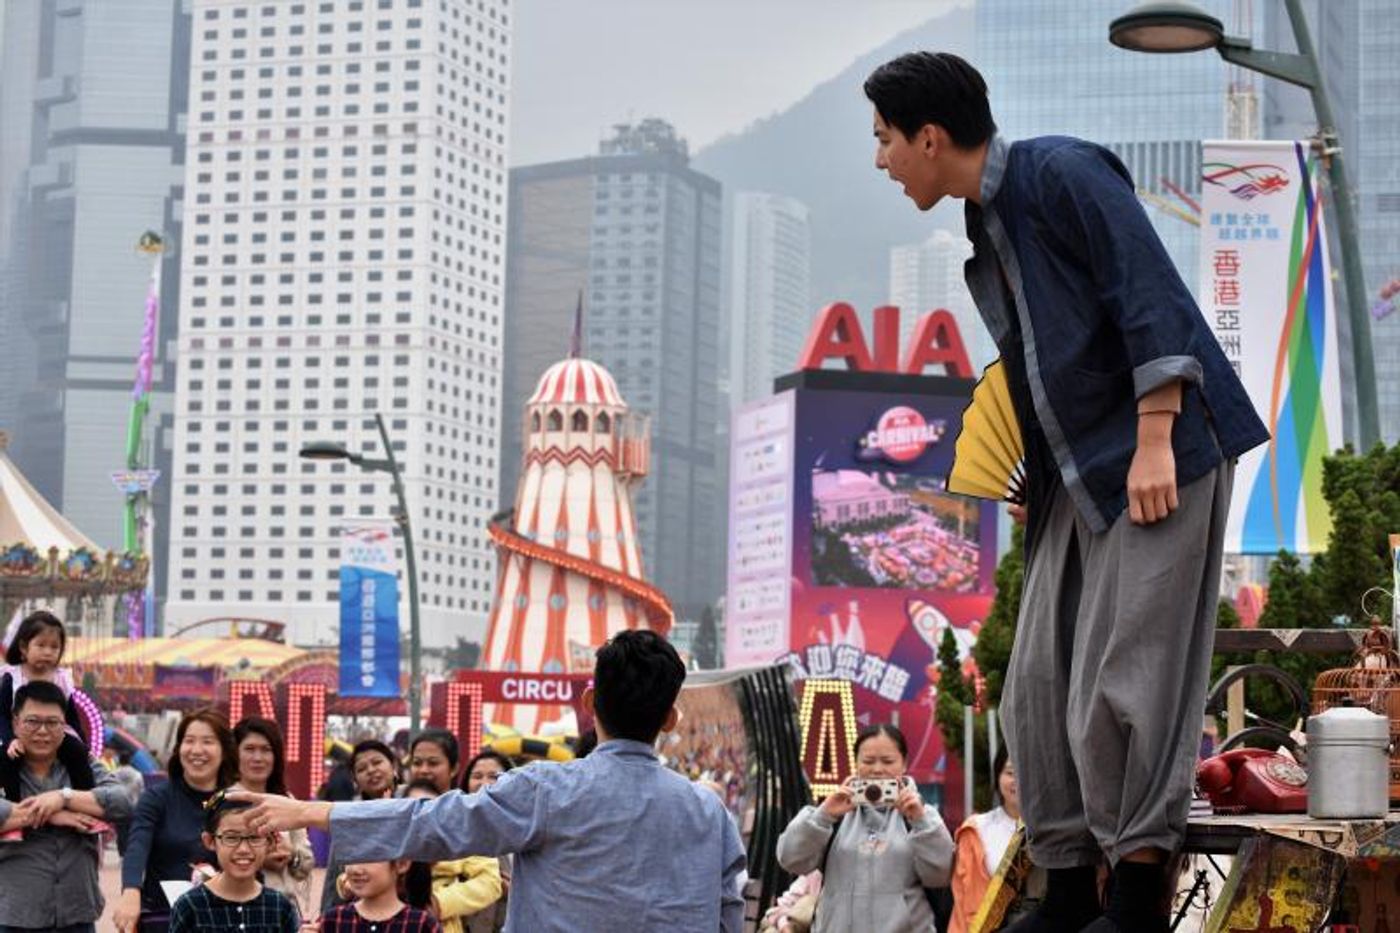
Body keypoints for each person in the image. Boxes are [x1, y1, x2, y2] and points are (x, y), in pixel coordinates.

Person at [862, 52, 1268, 932]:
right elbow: (1043, 374)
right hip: (1075, 474)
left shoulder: (1061, 171)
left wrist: (1156, 433)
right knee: (1037, 685)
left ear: (929, 137)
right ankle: (1069, 886)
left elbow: (1147, 290)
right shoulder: (986, 228)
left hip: (1162, 449)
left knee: (1129, 676)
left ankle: (1136, 897)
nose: (881, 159)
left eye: (885, 139)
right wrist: (1043, 481)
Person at [234, 630, 747, 932]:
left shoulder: (546, 790)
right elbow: (728, 913)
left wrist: (309, 811)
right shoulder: (710, 814)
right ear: (670, 719)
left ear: (590, 704)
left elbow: (432, 822)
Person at [776, 723, 953, 933]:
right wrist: (823, 815)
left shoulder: (923, 816)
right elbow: (791, 859)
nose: (877, 769)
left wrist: (920, 821)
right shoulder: (836, 814)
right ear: (856, 763)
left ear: (904, 763)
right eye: (868, 761)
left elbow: (941, 874)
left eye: (888, 761)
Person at [0, 680, 135, 931]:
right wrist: (53, 815)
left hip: (77, 912)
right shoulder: (3, 764)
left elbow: (122, 802)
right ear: (16, 723)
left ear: (64, 726)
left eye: (52, 723)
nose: (43, 731)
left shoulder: (82, 764)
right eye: (32, 721)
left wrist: (64, 798)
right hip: (17, 914)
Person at [115, 708, 237, 933]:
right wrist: (131, 890)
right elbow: (137, 846)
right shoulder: (156, 798)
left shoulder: (235, 803)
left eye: (207, 742)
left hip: (222, 920)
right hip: (163, 919)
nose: (196, 750)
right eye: (189, 741)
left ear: (225, 751)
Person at [0, 611, 96, 824]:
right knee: (7, 759)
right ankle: (16, 810)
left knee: (77, 753)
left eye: (54, 647)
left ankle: (85, 804)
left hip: (56, 734)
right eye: (41, 645)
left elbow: (71, 715)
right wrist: (10, 740)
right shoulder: (11, 676)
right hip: (19, 735)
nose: (48, 652)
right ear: (24, 647)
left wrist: (84, 745)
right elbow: (2, 714)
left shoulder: (61, 678)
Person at [167, 792, 301, 933]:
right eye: (231, 838)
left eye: (255, 838)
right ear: (210, 841)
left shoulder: (280, 907)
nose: (243, 849)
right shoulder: (190, 906)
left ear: (270, 842)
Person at [233, 717, 315, 916]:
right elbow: (210, 860)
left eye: (266, 750)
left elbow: (305, 865)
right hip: (238, 910)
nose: (258, 758)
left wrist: (291, 855)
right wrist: (260, 860)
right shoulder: (222, 800)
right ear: (235, 753)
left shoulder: (287, 800)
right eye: (249, 749)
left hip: (285, 910)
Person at [400, 778, 502, 933]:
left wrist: (440, 903)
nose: (423, 817)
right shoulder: (394, 852)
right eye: (414, 811)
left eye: (431, 810)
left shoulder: (462, 840)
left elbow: (491, 882)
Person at [320, 739, 404, 911]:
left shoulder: (412, 800)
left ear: (393, 766)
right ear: (355, 781)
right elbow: (334, 876)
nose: (371, 770)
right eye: (361, 769)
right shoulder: (349, 816)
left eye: (377, 762)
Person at [950, 747, 1023, 933]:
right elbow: (964, 904)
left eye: (1026, 772)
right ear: (997, 776)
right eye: (1010, 773)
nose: (1017, 780)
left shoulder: (1056, 830)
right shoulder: (977, 829)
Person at [458, 751, 514, 932]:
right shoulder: (455, 832)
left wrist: (515, 891)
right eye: (477, 776)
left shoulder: (524, 834)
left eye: (493, 777)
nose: (484, 783)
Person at [317, 858, 443, 933]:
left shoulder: (422, 924)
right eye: (350, 858)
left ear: (401, 863)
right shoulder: (332, 920)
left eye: (368, 859)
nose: (356, 869)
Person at [408, 730, 459, 796]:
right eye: (417, 763)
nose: (424, 770)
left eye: (433, 763)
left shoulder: (464, 802)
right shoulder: (398, 801)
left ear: (454, 769)